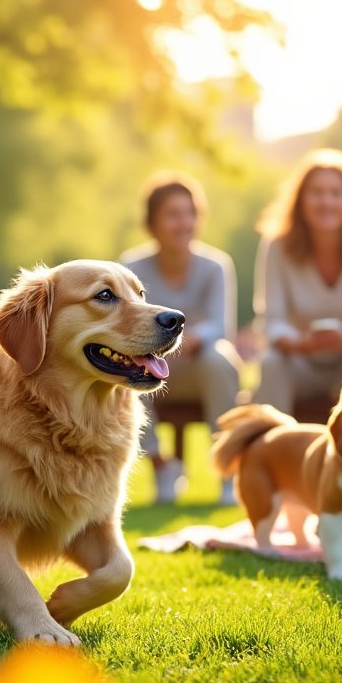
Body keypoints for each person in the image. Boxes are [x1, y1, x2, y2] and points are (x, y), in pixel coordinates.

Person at [121, 171, 241, 505]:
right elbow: (128, 327)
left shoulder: (216, 265)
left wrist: (189, 337)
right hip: (152, 362)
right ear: (153, 222)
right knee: (126, 369)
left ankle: (227, 471)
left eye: (190, 214)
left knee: (220, 358)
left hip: (197, 366)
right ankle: (162, 465)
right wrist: (164, 340)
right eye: (173, 215)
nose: (183, 223)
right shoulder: (131, 266)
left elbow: (219, 326)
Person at [251, 149, 342, 413]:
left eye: (336, 193)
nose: (326, 202)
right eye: (316, 192)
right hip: (299, 361)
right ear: (300, 201)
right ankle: (272, 447)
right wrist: (299, 342)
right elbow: (271, 320)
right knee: (271, 362)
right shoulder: (277, 246)